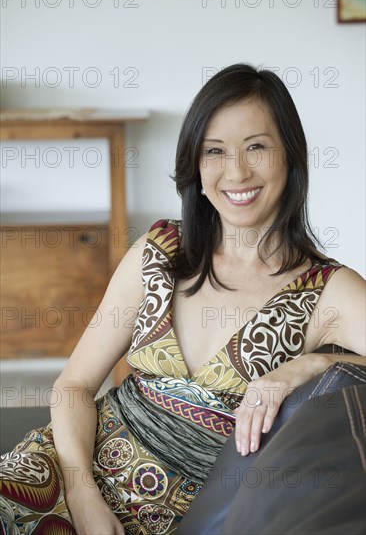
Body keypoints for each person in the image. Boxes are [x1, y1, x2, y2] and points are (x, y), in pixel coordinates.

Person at [0, 63, 365, 535]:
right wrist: (83, 495)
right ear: (195, 161)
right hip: (66, 475)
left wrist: (310, 365)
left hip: (186, 519)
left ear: (290, 155)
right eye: (215, 151)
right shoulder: (159, 251)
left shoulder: (324, 288)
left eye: (257, 146)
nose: (235, 171)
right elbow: (73, 386)